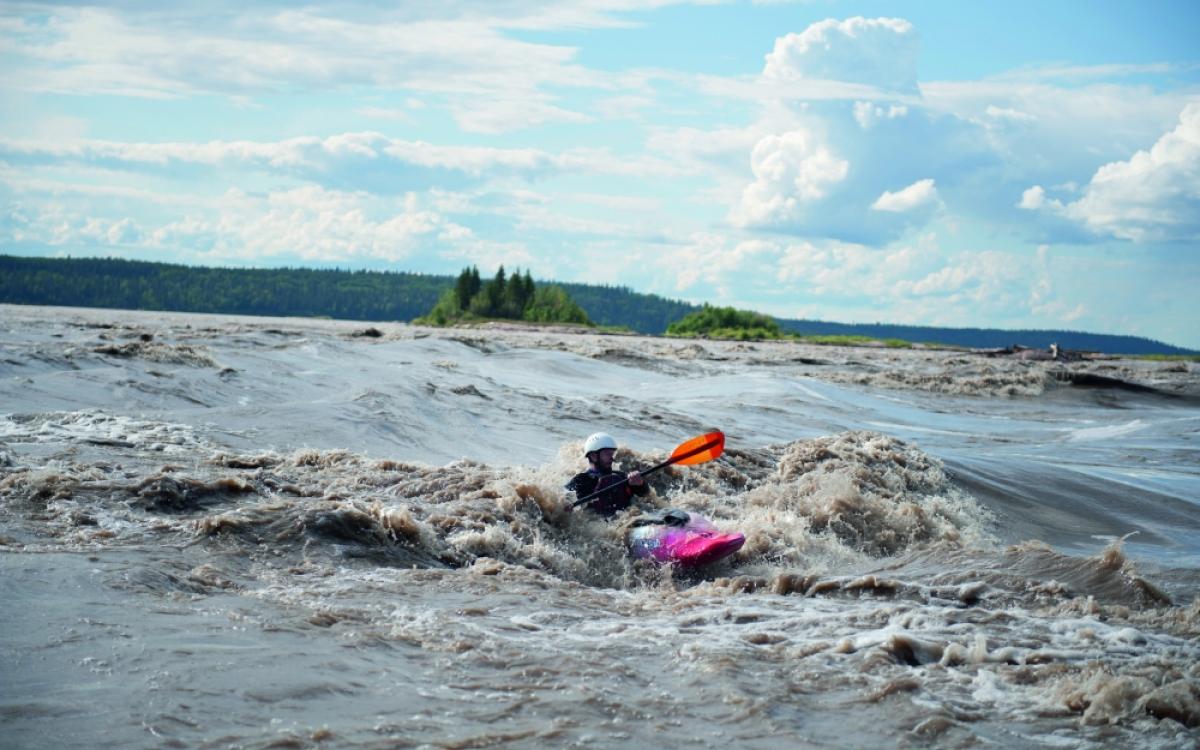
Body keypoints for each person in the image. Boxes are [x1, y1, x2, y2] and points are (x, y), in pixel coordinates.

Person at [566, 432, 648, 517]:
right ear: (593, 456)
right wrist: (566, 506)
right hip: (598, 525)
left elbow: (644, 494)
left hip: (625, 520)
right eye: (607, 453)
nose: (611, 457)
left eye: (612, 453)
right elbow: (562, 499)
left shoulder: (622, 476)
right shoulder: (581, 480)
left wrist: (640, 483)